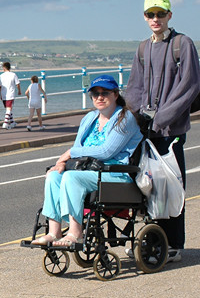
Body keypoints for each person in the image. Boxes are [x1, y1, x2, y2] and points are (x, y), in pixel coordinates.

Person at [124, 0, 200, 263]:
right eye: (150, 14)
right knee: (146, 186)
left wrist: (161, 119)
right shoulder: (143, 48)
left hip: (171, 132)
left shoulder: (183, 44)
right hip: (146, 131)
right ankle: (153, 238)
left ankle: (174, 245)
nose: (155, 19)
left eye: (160, 14)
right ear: (145, 17)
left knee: (171, 186)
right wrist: (130, 119)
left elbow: (188, 86)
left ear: (169, 15)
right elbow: (134, 87)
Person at [32, 75, 142, 247]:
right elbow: (77, 149)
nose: (99, 97)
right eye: (95, 94)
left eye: (104, 93)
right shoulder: (89, 118)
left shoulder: (125, 118)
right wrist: (62, 162)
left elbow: (106, 151)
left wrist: (70, 152)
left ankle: (76, 232)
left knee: (71, 178)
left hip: (115, 174)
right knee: (54, 176)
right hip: (88, 172)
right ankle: (54, 232)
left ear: (115, 94)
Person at [0, 62, 21, 129]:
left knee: (8, 109)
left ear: (4, 68)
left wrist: (0, 94)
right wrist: (19, 91)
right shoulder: (13, 75)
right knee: (9, 109)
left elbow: (0, 86)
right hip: (10, 94)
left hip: (3, 93)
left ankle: (12, 122)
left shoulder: (1, 76)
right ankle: (5, 123)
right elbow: (17, 84)